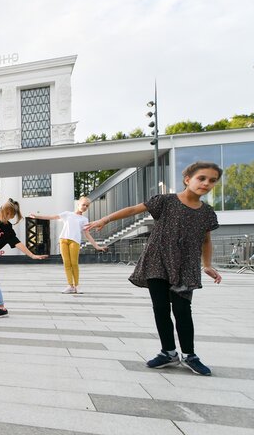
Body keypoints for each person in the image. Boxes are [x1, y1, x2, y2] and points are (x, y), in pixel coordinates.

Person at [87, 161, 222, 376]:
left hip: (185, 267)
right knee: (160, 309)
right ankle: (168, 352)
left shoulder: (207, 213)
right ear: (188, 179)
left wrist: (207, 265)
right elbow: (134, 209)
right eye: (201, 178)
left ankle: (190, 355)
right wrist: (106, 218)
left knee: (182, 311)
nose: (206, 183)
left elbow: (206, 241)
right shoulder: (166, 201)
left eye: (212, 180)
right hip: (157, 262)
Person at [0, 173, 48, 318]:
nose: (2, 213)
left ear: (10, 215)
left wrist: (32, 255)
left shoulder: (8, 230)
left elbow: (18, 243)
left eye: (6, 213)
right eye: (2, 210)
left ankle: (1, 308)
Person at [29, 196, 107, 294]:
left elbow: (87, 234)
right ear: (78, 204)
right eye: (83, 205)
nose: (85, 207)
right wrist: (37, 216)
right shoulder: (67, 214)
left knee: (74, 263)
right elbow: (52, 217)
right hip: (63, 240)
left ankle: (77, 286)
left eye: (87, 206)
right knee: (67, 263)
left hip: (75, 241)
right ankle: (70, 286)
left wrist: (97, 246)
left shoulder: (84, 219)